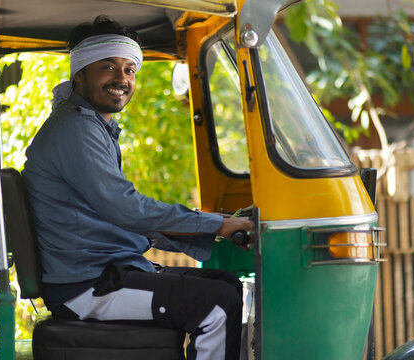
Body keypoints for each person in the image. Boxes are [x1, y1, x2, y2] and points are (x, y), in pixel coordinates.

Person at [22, 15, 253, 360]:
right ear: (80, 73)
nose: (122, 79)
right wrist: (217, 225)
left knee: (226, 283)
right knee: (217, 304)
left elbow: (120, 215)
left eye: (130, 70)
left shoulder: (91, 126)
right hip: (86, 287)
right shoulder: (75, 129)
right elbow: (126, 209)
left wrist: (213, 222)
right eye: (109, 67)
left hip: (104, 272)